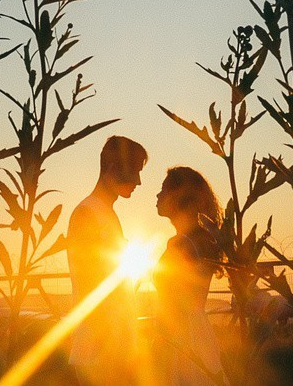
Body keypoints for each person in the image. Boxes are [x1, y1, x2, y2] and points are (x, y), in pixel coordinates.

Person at [65, 135, 147, 383]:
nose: (139, 182)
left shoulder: (104, 212)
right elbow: (92, 284)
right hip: (99, 351)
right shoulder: (87, 213)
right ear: (112, 169)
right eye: (134, 172)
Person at [151, 165, 225, 384]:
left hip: (180, 337)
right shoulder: (199, 240)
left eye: (164, 190)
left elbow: (174, 302)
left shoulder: (183, 245)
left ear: (179, 197)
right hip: (199, 334)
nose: (157, 195)